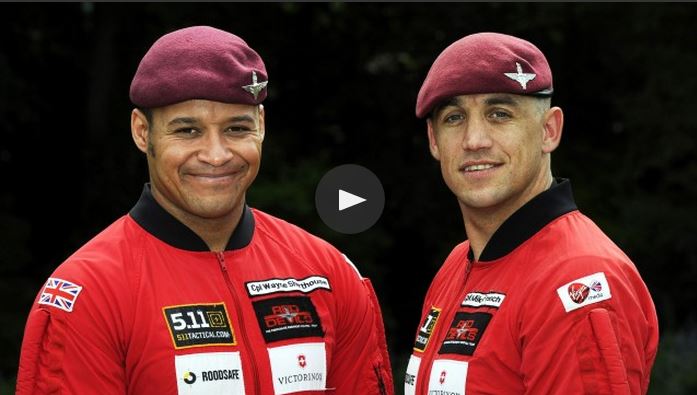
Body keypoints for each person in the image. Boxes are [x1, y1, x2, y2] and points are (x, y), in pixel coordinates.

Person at [16, 26, 393, 395]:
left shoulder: (329, 274)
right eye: (187, 131)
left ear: (260, 126)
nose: (216, 155)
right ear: (141, 132)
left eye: (236, 129)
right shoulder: (89, 293)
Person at [404, 32, 658, 394]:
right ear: (433, 141)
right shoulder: (456, 265)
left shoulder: (576, 277)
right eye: (454, 117)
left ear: (549, 131)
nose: (475, 140)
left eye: (500, 114)